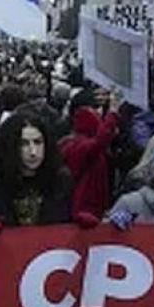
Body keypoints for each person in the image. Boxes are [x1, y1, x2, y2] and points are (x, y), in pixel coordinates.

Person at [0, 112, 73, 232]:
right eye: (24, 144)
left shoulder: (60, 184)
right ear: (10, 146)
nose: (33, 151)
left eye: (38, 142)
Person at [60, 88, 121, 219]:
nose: (99, 111)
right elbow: (100, 141)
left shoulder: (76, 142)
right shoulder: (78, 145)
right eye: (95, 108)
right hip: (84, 209)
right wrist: (113, 114)